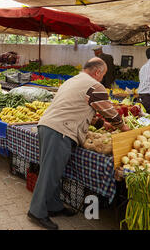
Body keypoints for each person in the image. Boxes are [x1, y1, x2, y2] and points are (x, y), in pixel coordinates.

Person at [27, 58, 130, 230]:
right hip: (60, 131)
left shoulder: (72, 80)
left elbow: (79, 107)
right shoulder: (95, 85)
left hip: (48, 126)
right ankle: (37, 212)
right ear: (97, 72)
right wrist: (124, 127)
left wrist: (100, 124)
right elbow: (108, 110)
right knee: (49, 173)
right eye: (103, 75)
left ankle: (54, 206)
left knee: (54, 171)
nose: (102, 79)